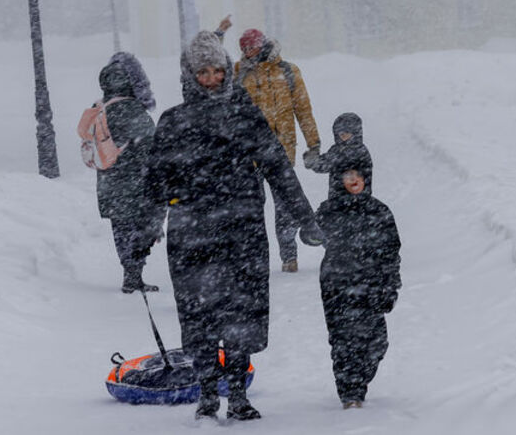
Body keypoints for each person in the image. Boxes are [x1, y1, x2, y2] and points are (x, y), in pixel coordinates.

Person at [145, 31, 324, 421]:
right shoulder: (173, 121)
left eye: (217, 71)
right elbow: (155, 183)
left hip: (242, 230)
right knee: (200, 315)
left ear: (227, 71)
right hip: (191, 234)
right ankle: (208, 395)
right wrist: (145, 231)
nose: (212, 79)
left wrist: (305, 218)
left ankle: (238, 395)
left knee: (242, 312)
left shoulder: (244, 115)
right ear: (190, 76)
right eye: (203, 72)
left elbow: (278, 168)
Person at [232, 26, 321, 273]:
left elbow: (303, 110)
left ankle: (289, 257)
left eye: (251, 46)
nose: (248, 52)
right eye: (244, 48)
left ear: (262, 45)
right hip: (248, 153)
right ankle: (253, 259)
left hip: (281, 150)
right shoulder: (238, 73)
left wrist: (313, 144)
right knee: (251, 208)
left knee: (285, 206)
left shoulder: (288, 71)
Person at [315, 162, 401, 409]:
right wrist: (309, 232)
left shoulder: (379, 210)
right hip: (337, 284)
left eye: (358, 175)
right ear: (339, 181)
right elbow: (310, 234)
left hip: (371, 284)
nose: (354, 180)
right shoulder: (329, 209)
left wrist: (391, 286)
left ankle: (359, 380)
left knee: (376, 342)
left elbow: (392, 251)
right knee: (343, 340)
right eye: (347, 175)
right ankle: (350, 394)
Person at [94, 52, 165, 293]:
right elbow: (151, 149)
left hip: (110, 181)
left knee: (121, 228)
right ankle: (134, 274)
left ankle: (130, 273)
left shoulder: (101, 109)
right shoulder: (133, 110)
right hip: (136, 182)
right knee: (143, 227)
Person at [311, 112, 373, 199]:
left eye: (347, 132)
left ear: (355, 133)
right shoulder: (337, 148)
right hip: (337, 199)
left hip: (355, 200)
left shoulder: (358, 151)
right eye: (340, 132)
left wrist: (314, 162)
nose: (343, 135)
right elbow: (325, 162)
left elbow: (328, 164)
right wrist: (313, 159)